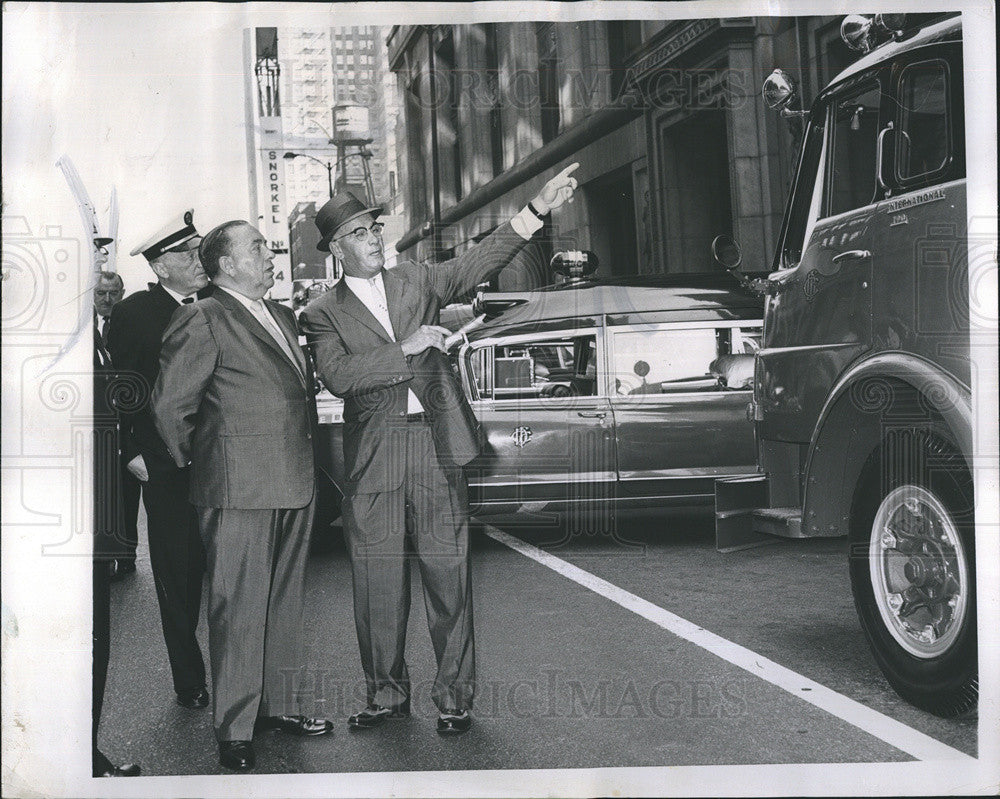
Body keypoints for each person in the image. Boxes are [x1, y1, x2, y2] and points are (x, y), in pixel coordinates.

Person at [299, 163, 579, 735]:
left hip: (432, 445)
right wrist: (406, 347)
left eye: (374, 228)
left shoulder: (417, 280)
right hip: (375, 454)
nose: (373, 239)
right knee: (377, 581)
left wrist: (536, 209)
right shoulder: (321, 312)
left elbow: (478, 262)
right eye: (358, 233)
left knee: (447, 575)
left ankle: (455, 698)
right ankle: (385, 694)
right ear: (334, 250)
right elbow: (338, 376)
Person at [151, 220, 333, 772]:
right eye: (257, 246)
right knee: (238, 609)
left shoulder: (279, 315)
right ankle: (234, 726)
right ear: (227, 264)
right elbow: (168, 408)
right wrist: (203, 464)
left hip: (293, 480)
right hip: (237, 489)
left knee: (283, 603)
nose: (270, 252)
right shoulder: (201, 317)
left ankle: (279, 706)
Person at [105, 210, 210, 711]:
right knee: (179, 573)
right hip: (164, 463)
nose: (198, 259)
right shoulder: (133, 314)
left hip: (221, 459)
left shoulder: (217, 304)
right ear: (161, 266)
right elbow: (122, 387)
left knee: (228, 571)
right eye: (186, 254)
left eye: (199, 249)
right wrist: (133, 451)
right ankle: (189, 678)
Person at [91, 237, 141, 778]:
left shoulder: (94, 338)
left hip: (98, 506)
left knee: (94, 641)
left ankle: (85, 752)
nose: (103, 270)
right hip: (80, 511)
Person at [92, 266, 141, 580]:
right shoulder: (85, 328)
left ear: (122, 294)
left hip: (126, 422)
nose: (107, 299)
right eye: (101, 293)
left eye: (113, 294)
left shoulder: (130, 325)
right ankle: (108, 554)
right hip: (100, 425)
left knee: (128, 489)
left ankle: (127, 555)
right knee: (106, 492)